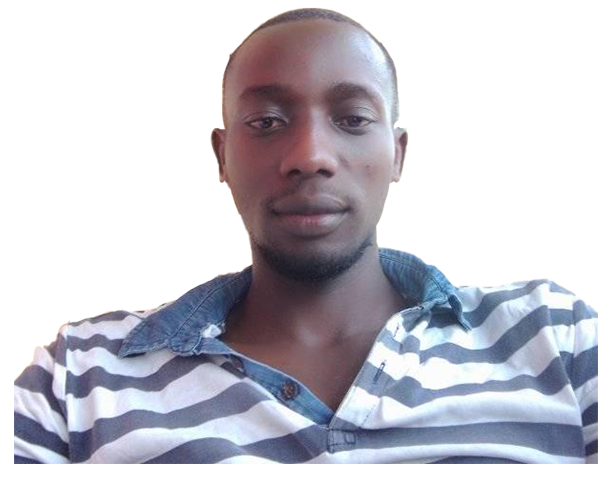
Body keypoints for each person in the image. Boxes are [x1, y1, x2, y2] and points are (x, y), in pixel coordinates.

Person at [14, 7, 598, 464]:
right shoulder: (81, 375)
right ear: (222, 157)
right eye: (266, 122)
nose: (311, 156)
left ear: (398, 154)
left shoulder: (555, 336)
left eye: (352, 119)